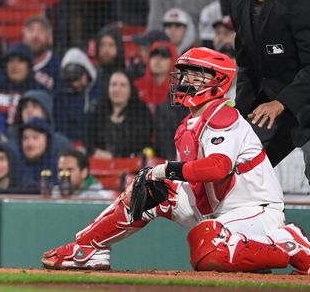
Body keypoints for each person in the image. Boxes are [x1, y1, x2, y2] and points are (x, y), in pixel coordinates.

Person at [42, 48, 310, 274]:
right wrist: (159, 182)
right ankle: (87, 248)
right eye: (184, 73)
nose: (184, 80)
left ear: (217, 81)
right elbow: (194, 181)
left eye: (194, 74)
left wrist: (166, 170)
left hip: (254, 209)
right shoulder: (190, 124)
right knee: (145, 188)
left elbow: (218, 168)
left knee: (207, 250)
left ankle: (289, 243)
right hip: (214, 207)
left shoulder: (223, 116)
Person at [227, 0, 310, 182]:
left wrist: (281, 102)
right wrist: (240, 116)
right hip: (271, 109)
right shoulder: (239, 4)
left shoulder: (301, 3)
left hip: (299, 101)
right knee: (240, 172)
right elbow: (247, 67)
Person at [85, 70, 153, 159]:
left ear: (131, 89)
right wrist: (95, 152)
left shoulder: (141, 112)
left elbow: (143, 143)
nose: (117, 89)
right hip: (101, 163)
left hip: (132, 165)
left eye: (123, 85)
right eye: (113, 84)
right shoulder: (97, 111)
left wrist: (114, 156)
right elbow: (88, 140)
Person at [51, 149, 115, 198]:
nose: (64, 174)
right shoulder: (54, 193)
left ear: (84, 173)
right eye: (60, 170)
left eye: (69, 170)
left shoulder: (97, 196)